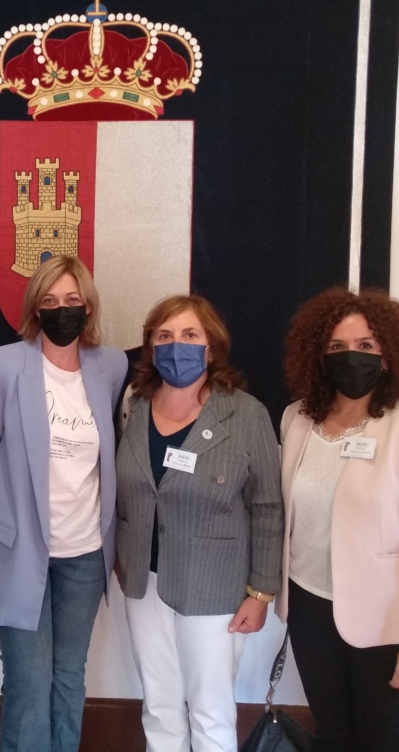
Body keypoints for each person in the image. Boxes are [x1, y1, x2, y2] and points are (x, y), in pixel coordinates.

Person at [0, 255, 127, 752]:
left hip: (85, 554)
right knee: (29, 682)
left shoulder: (111, 366)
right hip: (16, 552)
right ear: (35, 308)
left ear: (88, 306)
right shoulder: (2, 367)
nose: (62, 309)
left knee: (69, 676)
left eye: (72, 300)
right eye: (50, 300)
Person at [277, 287, 399, 752]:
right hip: (310, 609)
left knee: (386, 742)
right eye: (337, 346)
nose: (350, 356)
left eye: (365, 346)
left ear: (389, 355)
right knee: (334, 736)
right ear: (319, 356)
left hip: (385, 622)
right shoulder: (296, 420)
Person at [115, 293, 284, 752]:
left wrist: (261, 592)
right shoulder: (134, 406)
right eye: (164, 336)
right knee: (159, 705)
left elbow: (268, 506)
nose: (177, 345)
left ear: (211, 348)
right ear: (151, 347)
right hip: (144, 583)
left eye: (190, 335)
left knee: (210, 710)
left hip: (214, 587)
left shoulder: (246, 413)